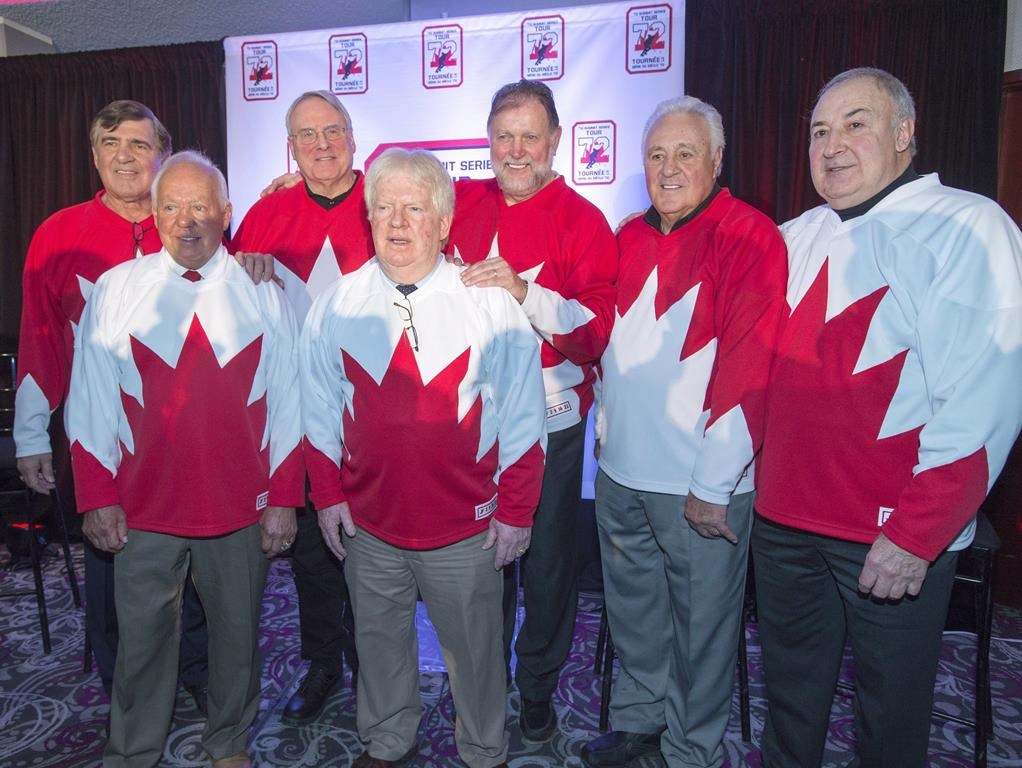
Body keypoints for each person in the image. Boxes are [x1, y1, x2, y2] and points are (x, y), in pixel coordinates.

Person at [753, 67, 1022, 767]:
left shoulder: (968, 227)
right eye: (818, 131)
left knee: (890, 721)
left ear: (904, 133)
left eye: (856, 123)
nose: (832, 144)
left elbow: (987, 396)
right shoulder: (791, 236)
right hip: (782, 524)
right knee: (789, 707)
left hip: (886, 539)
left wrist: (918, 532)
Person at [13, 100, 275, 708]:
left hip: (198, 438)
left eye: (138, 143)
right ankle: (128, 695)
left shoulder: (202, 223)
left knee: (209, 570)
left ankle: (202, 678)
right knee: (115, 573)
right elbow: (41, 340)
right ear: (94, 157)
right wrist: (30, 435)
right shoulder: (57, 235)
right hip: (102, 435)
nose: (124, 155)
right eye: (110, 144)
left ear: (163, 155)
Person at [301, 148, 547, 768]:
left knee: (476, 652)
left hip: (467, 528)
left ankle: (485, 748)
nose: (397, 221)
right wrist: (327, 496)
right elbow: (318, 407)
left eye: (414, 208)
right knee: (378, 644)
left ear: (443, 222)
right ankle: (387, 740)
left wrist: (517, 510)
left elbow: (522, 414)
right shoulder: (337, 303)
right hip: (371, 525)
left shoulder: (488, 302)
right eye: (383, 207)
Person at [67, 151, 303, 768]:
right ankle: (133, 749)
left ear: (227, 214)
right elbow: (90, 396)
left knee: (236, 640)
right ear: (153, 213)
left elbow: (291, 399)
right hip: (142, 507)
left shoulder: (263, 288)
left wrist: (283, 498)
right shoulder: (118, 289)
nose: (186, 220)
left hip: (241, 507)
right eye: (171, 206)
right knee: (140, 642)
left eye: (201, 206)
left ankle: (228, 742)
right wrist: (95, 495)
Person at [581, 97, 787, 767]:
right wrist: (605, 436)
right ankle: (640, 722)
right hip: (621, 476)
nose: (669, 169)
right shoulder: (625, 236)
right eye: (657, 155)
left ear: (717, 160)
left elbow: (750, 367)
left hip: (698, 483)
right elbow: (611, 350)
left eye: (686, 153)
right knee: (634, 613)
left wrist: (714, 482)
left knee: (703, 631)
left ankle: (689, 750)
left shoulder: (750, 235)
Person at [448, 79, 617, 742]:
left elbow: (593, 332)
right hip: (468, 423)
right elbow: (384, 207)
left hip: (550, 422)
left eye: (529, 136)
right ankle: (482, 684)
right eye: (503, 136)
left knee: (546, 567)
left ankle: (539, 686)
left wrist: (523, 289)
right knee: (479, 564)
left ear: (554, 141)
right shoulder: (456, 201)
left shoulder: (584, 221)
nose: (515, 150)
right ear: (487, 141)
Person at [230, 90, 371, 725]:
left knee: (376, 552)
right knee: (313, 553)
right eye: (306, 135)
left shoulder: (386, 199)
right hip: (298, 414)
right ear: (290, 147)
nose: (320, 145)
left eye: (332, 130)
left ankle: (378, 668)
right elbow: (230, 312)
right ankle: (323, 663)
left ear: (352, 134)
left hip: (374, 412)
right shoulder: (264, 215)